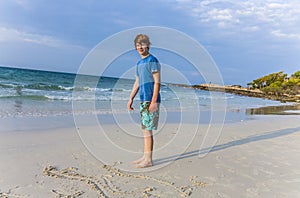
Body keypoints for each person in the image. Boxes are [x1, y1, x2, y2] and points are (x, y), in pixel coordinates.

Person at [127, 34, 161, 168]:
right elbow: (137, 82)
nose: (140, 47)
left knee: (147, 129)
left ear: (148, 45)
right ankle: (145, 156)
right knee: (144, 129)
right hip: (143, 98)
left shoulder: (152, 60)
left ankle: (149, 160)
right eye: (137, 45)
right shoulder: (139, 63)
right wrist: (131, 98)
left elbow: (157, 82)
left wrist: (153, 101)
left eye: (142, 44)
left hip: (151, 99)